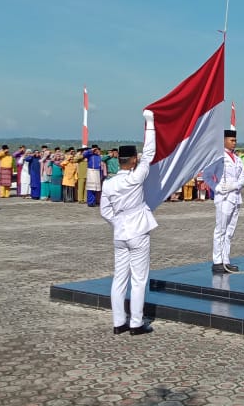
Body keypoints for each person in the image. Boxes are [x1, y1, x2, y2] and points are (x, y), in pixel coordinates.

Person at [100, 110, 157, 336]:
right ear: (133, 160)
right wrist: (150, 123)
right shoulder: (136, 177)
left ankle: (118, 322)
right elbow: (150, 152)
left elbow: (105, 211)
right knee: (140, 279)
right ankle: (135, 322)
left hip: (120, 232)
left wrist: (118, 222)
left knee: (119, 279)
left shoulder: (109, 184)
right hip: (138, 230)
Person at [205, 129, 244, 274]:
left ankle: (226, 260)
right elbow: (207, 176)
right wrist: (216, 187)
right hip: (223, 198)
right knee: (221, 230)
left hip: (235, 197)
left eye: (235, 140)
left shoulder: (238, 159)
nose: (234, 143)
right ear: (223, 140)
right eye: (231, 140)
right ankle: (217, 261)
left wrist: (234, 185)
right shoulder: (218, 158)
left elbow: (243, 177)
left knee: (230, 231)